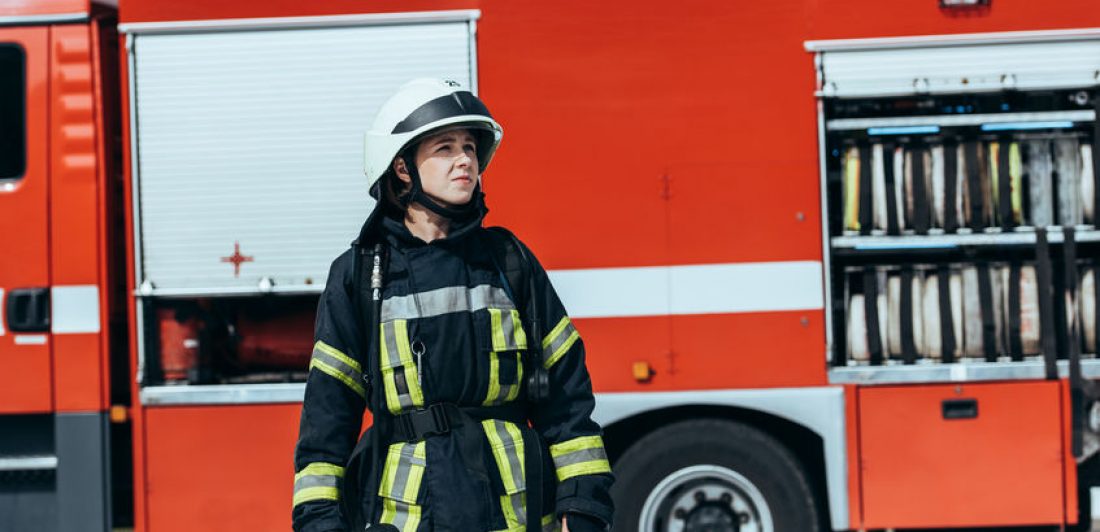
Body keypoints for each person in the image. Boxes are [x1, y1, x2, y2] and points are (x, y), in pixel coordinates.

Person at [291, 78, 614, 532]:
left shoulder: (509, 260)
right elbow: (327, 421)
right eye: (444, 148)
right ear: (402, 168)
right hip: (407, 519)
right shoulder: (361, 275)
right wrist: (320, 523)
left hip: (514, 516)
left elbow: (568, 402)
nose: (465, 160)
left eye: (469, 147)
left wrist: (582, 507)